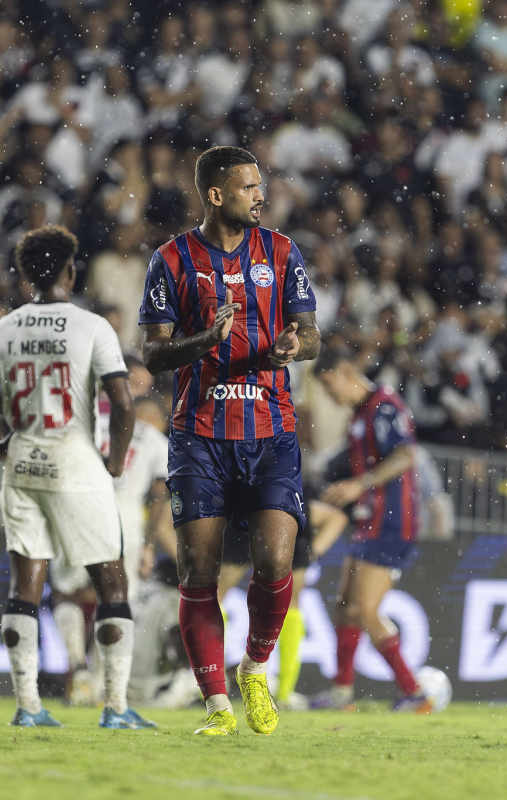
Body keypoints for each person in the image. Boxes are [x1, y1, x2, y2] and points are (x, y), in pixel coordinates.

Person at [0, 225, 154, 730]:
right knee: (111, 583)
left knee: (25, 585)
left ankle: (28, 705)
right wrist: (117, 460)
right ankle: (116, 707)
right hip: (76, 463)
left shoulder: (4, 328)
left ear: (25, 274)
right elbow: (123, 403)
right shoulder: (92, 327)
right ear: (71, 271)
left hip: (22, 463)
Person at [139, 145, 321, 735]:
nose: (259, 196)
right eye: (248, 188)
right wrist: (201, 341)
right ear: (215, 195)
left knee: (274, 560)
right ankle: (217, 705)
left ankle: (254, 667)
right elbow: (153, 353)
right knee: (199, 571)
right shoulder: (171, 260)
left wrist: (294, 347)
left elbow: (311, 334)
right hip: (199, 436)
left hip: (271, 430)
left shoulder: (282, 252)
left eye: (260, 186)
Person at [308, 348, 433, 712]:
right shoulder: (360, 415)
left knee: (364, 608)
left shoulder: (385, 406)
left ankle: (415, 693)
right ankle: (342, 694)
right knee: (345, 606)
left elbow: (405, 455)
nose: (332, 397)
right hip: (369, 520)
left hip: (393, 521)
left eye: (331, 387)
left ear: (347, 371)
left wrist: (359, 484)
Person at [49, 384, 173, 706]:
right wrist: (148, 545)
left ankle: (77, 666)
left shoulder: (90, 426)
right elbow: (160, 494)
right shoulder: (157, 440)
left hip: (79, 512)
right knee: (116, 604)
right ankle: (100, 682)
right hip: (126, 523)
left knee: (67, 593)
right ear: (156, 417)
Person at [217, 496, 348, 708]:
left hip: (252, 509)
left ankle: (217, 685)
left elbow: (336, 518)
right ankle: (284, 694)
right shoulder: (289, 490)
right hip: (283, 511)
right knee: (291, 603)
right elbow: (336, 518)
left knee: (216, 595)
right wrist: (312, 552)